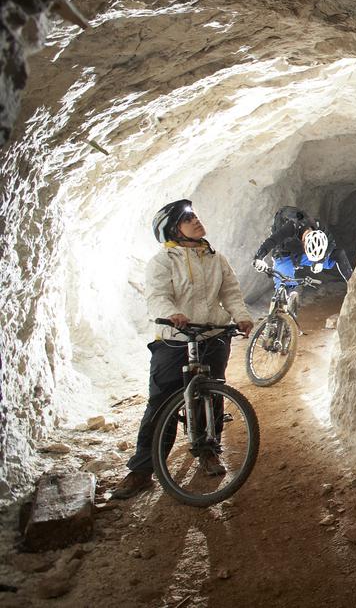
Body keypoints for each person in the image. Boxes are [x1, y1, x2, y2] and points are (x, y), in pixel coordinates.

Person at [111, 200, 253, 499]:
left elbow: (230, 292)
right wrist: (172, 313)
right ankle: (142, 469)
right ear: (174, 228)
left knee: (210, 394)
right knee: (162, 402)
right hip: (175, 338)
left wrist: (240, 316)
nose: (196, 221)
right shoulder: (162, 261)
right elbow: (157, 296)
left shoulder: (216, 258)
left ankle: (207, 449)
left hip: (212, 335)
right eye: (189, 219)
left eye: (196, 216)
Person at [252, 206, 353, 291]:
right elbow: (272, 240)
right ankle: (283, 306)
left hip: (304, 255)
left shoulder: (319, 226)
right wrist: (258, 258)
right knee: (286, 289)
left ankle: (354, 286)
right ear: (304, 244)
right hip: (285, 255)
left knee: (339, 254)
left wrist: (320, 261)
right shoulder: (291, 227)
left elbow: (331, 244)